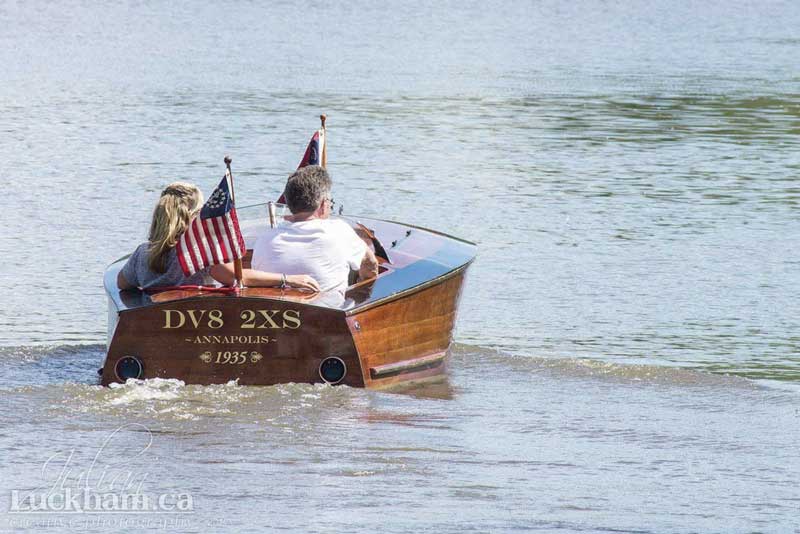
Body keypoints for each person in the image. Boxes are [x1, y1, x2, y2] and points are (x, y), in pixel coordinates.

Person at [117, 182, 319, 291]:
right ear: (194, 216)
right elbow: (237, 278)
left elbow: (121, 284)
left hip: (152, 328)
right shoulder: (199, 252)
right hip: (196, 329)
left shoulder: (142, 253)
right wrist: (288, 279)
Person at [251, 165, 379, 296]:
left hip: (273, 312)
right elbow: (371, 265)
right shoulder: (339, 231)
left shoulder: (265, 238)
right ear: (323, 205)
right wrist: (360, 294)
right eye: (330, 202)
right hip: (327, 313)